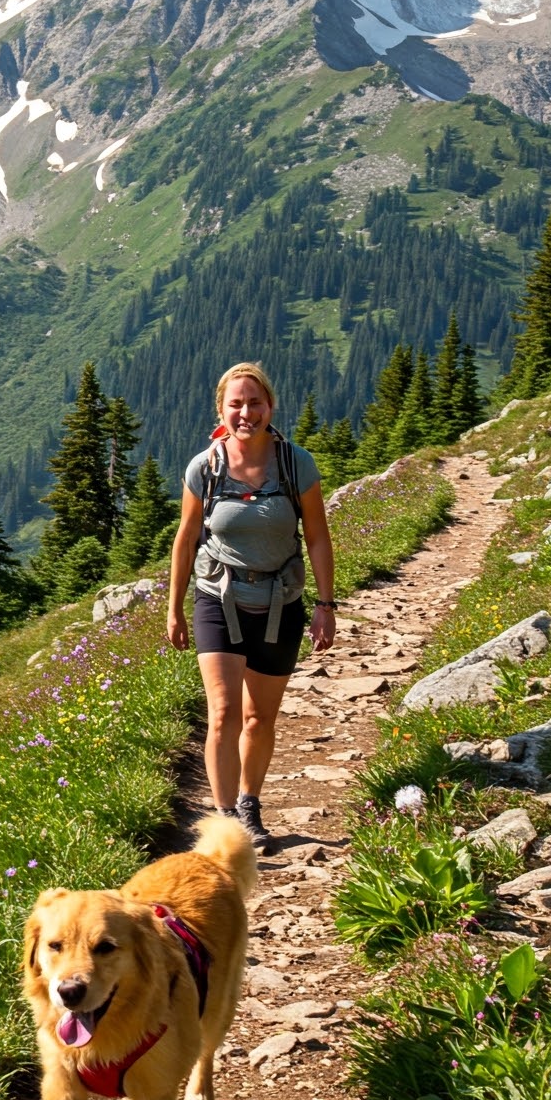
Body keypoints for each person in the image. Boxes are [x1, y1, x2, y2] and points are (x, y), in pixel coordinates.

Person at [165, 362, 335, 846]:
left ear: (270, 406)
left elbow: (318, 538)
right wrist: (174, 608)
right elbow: (187, 537)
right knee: (223, 714)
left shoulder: (295, 463)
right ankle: (224, 824)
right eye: (235, 404)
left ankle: (249, 804)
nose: (246, 413)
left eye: (254, 403)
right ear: (221, 409)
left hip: (281, 602)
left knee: (260, 717)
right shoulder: (206, 467)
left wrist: (325, 604)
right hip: (219, 598)